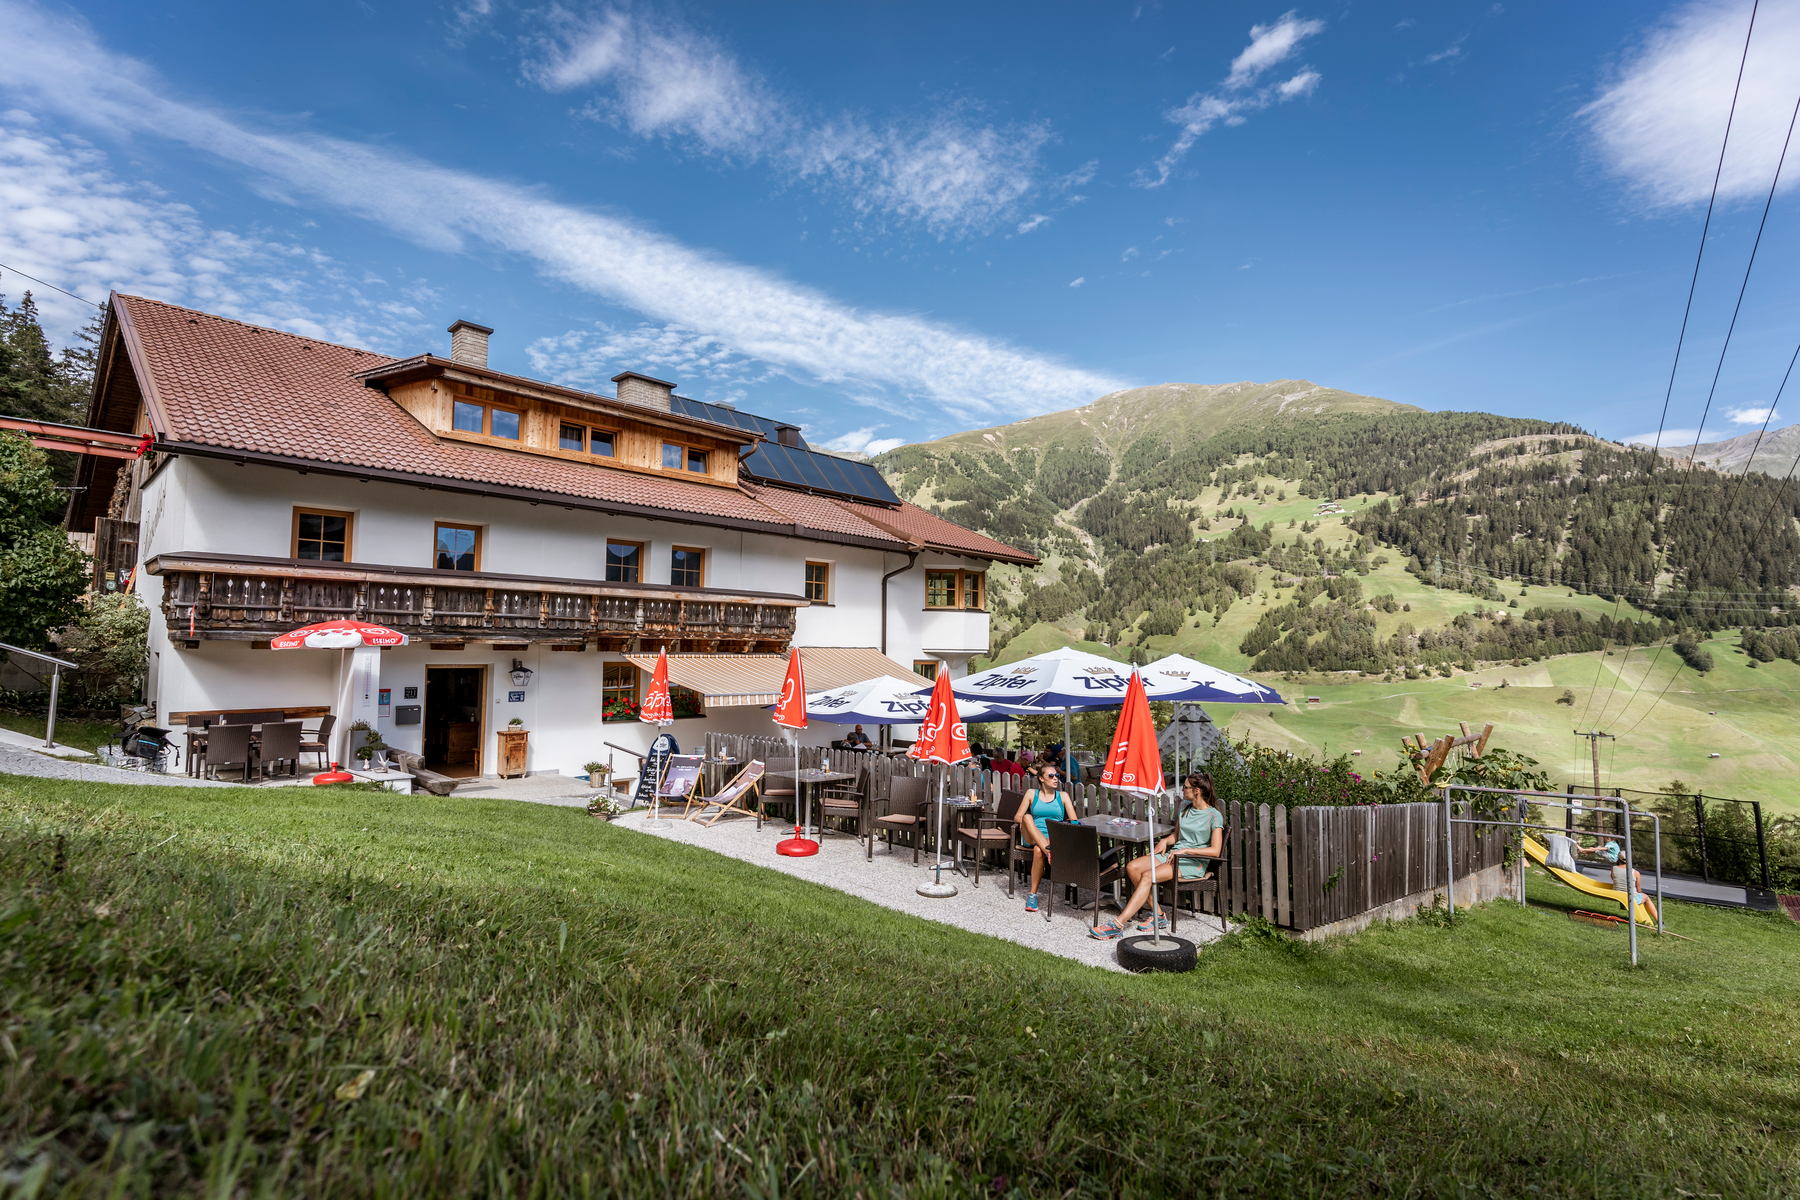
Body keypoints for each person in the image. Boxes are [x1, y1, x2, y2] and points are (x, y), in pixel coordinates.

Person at [1090, 773, 1224, 940]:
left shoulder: (1213, 815)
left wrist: (1185, 851)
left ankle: (1117, 925)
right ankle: (1159, 915)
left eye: (1186, 787)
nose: (1182, 789)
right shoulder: (1184, 807)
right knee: (1132, 867)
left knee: (1147, 876)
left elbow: (1215, 851)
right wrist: (1165, 841)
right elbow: (1177, 836)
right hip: (1173, 855)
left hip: (1192, 862)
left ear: (1197, 790)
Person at [1014, 760, 1079, 913]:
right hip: (1032, 835)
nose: (1055, 778)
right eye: (1051, 776)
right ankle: (1050, 853)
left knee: (1038, 851)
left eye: (1057, 775)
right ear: (1041, 778)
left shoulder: (1063, 796)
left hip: (1054, 838)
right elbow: (1017, 816)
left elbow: (1074, 821)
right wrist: (1023, 821)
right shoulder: (1032, 794)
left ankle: (1032, 895)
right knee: (1027, 817)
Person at [1610, 855, 1659, 924]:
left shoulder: (1613, 868)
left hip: (1617, 894)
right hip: (1630, 897)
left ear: (1619, 860)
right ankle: (1658, 920)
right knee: (1646, 897)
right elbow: (1638, 889)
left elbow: (1613, 879)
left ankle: (1623, 905)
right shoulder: (1635, 873)